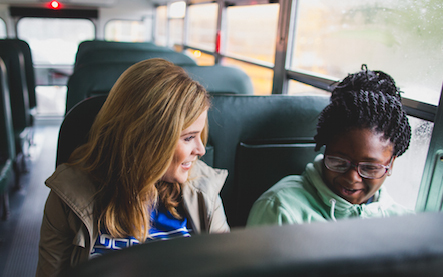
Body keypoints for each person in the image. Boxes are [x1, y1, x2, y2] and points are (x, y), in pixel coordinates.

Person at [37, 58, 230, 276]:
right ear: (145, 140)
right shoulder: (69, 196)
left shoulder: (205, 190)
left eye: (199, 135)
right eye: (188, 138)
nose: (201, 150)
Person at [247, 65, 413, 227]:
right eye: (339, 162)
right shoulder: (281, 208)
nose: (352, 178)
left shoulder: (404, 223)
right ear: (326, 149)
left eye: (370, 168)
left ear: (391, 163)